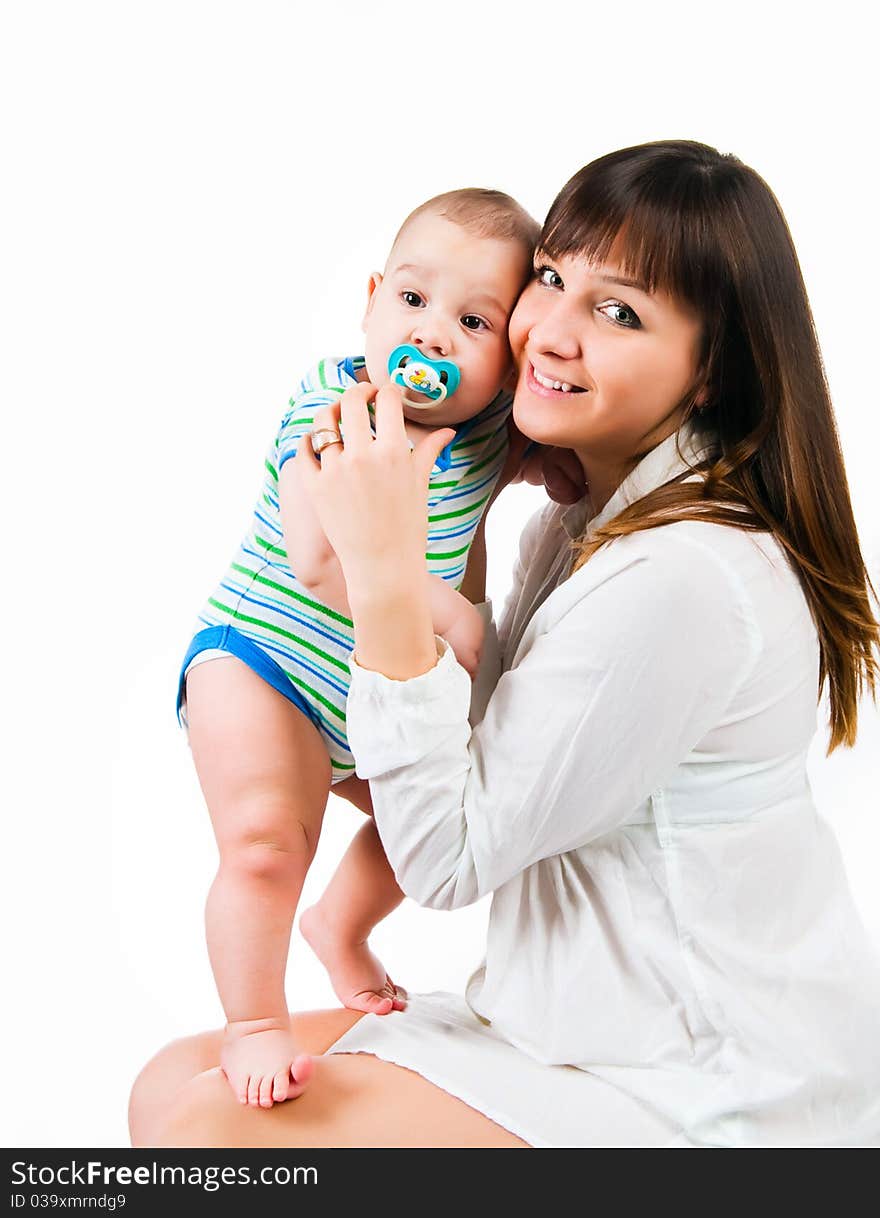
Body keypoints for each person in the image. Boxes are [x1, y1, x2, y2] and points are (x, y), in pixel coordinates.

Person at [130, 140, 880, 1148]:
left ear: (711, 375)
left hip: (690, 1081)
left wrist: (392, 579)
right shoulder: (575, 518)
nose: (551, 335)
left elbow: (445, 857)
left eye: (618, 313)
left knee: (209, 1140)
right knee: (169, 1084)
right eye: (552, 281)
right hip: (548, 1021)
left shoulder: (682, 577)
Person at [175, 187, 547, 1108]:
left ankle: (338, 926)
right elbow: (318, 562)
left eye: (474, 322)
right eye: (413, 302)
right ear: (374, 297)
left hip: (367, 694)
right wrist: (459, 622)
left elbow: (575, 457)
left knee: (432, 816)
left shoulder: (490, 430)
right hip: (261, 661)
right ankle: (254, 1022)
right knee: (265, 843)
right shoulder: (337, 406)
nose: (432, 337)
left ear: (510, 359)